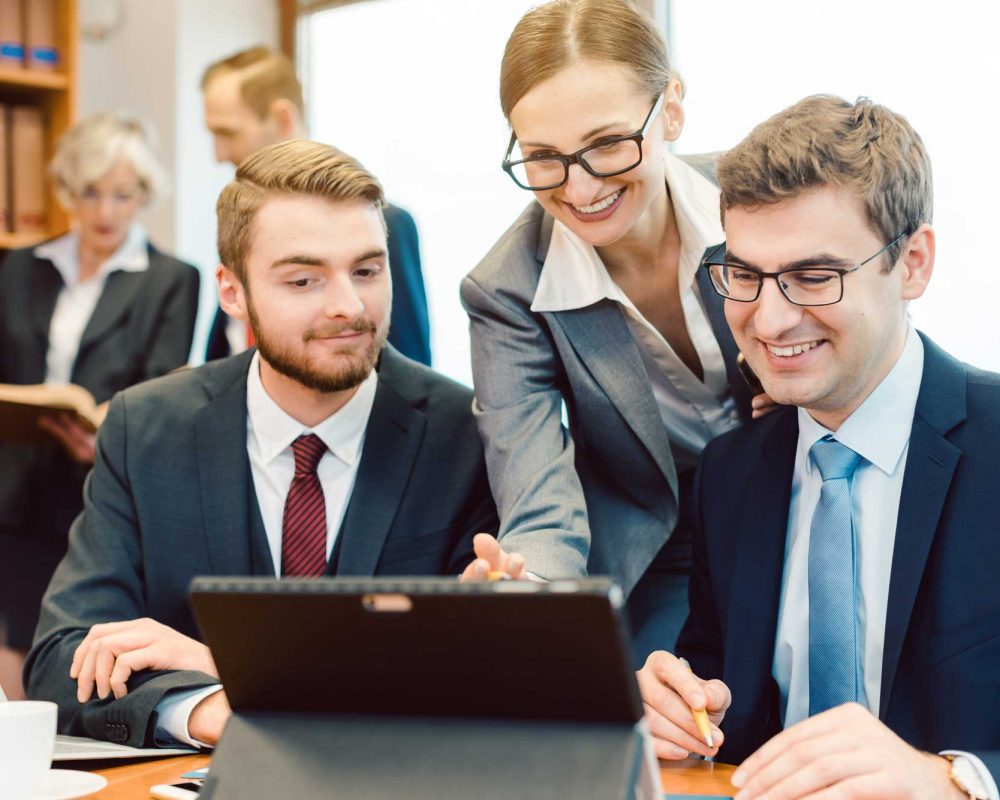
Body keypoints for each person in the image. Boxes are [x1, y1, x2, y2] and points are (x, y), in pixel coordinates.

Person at [24, 140, 497, 748]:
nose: (348, 307)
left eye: (366, 271)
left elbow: (482, 681)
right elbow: (62, 660)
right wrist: (205, 709)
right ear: (232, 292)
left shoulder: (469, 432)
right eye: (303, 279)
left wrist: (225, 670)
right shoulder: (146, 429)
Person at [638, 95, 1000, 799]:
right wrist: (676, 715)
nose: (768, 320)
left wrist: (954, 780)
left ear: (914, 263)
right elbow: (715, 694)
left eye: (813, 276)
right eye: (744, 275)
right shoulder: (729, 473)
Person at [460, 0, 769, 660]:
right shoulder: (508, 288)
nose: (579, 188)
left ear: (673, 108)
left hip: (805, 492)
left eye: (605, 144)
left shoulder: (763, 203)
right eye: (544, 157)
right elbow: (537, 492)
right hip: (664, 543)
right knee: (661, 714)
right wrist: (529, 587)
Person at [0, 112, 200, 699]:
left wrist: (104, 435)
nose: (106, 211)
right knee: (12, 636)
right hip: (14, 485)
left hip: (101, 477)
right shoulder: (20, 267)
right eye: (90, 193)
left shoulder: (170, 278)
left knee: (77, 637)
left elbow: (159, 386)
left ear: (145, 195)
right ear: (67, 191)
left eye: (124, 194)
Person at [200, 45, 431, 366]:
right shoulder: (246, 219)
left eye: (228, 133)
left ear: (282, 119)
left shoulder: (386, 223)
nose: (219, 154)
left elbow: (410, 371)